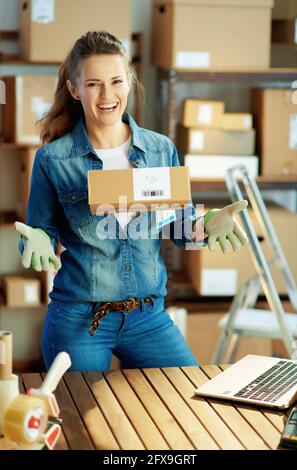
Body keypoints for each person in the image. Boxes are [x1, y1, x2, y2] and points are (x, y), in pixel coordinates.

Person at [15, 31, 248, 371]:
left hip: (148, 318)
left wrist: (209, 221)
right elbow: (41, 233)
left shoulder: (159, 149)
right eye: (93, 83)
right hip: (80, 319)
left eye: (116, 81)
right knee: (79, 419)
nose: (106, 95)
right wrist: (37, 239)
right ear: (74, 89)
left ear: (129, 83)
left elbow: (178, 225)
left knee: (184, 401)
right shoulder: (53, 159)